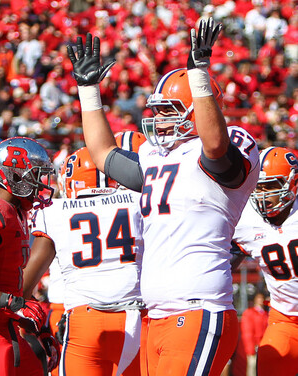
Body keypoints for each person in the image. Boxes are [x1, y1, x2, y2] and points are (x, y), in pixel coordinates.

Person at [67, 17, 260, 376]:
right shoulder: (158, 157)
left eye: (168, 111)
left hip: (199, 308)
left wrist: (199, 75)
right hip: (155, 314)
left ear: (195, 108)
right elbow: (102, 154)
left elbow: (216, 146)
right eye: (156, 111)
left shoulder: (227, 146)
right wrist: (88, 90)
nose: (158, 119)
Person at [23, 142, 146, 376]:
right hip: (139, 317)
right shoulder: (137, 202)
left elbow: (25, 283)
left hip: (85, 318)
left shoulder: (55, 212)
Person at [232, 146, 298, 376]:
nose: (263, 194)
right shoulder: (245, 218)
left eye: (270, 186)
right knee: (270, 363)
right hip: (285, 319)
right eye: (258, 187)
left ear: (293, 183)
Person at [0, 136, 55, 375]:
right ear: (13, 175)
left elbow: (16, 280)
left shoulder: (17, 211)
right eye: (34, 175)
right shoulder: (0, 213)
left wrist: (39, 329)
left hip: (7, 326)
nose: (41, 184)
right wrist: (13, 303)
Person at [240, 292, 268, 376]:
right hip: (255, 345)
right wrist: (250, 348)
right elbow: (247, 331)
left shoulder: (266, 314)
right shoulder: (249, 313)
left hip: (264, 345)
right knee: (252, 368)